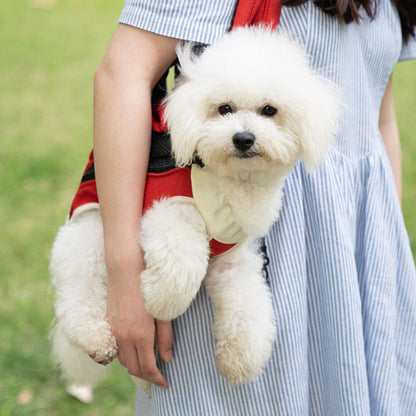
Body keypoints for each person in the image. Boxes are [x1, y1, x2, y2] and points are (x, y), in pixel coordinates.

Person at [91, 0, 416, 414]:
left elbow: (377, 113)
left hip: (355, 242)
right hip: (245, 235)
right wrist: (125, 274)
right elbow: (122, 75)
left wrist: (384, 245)